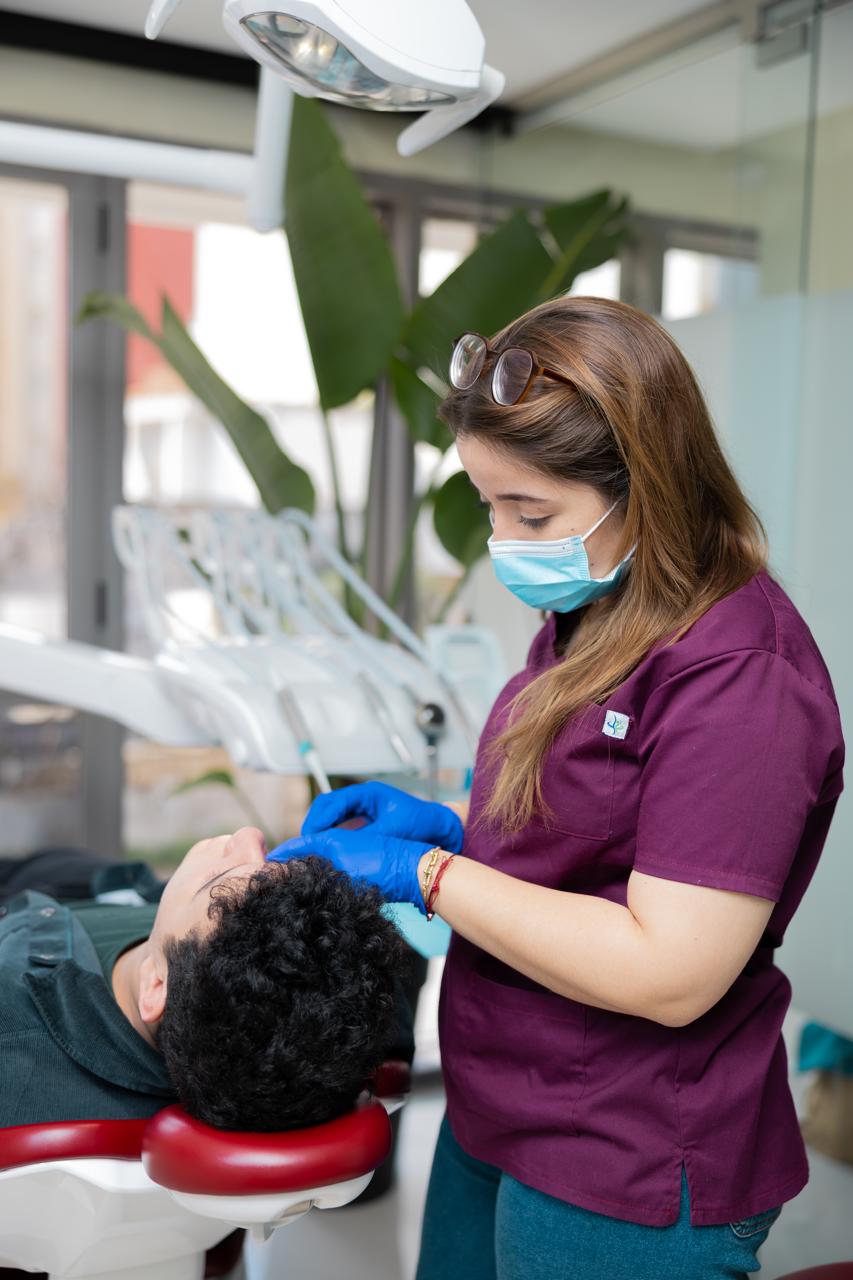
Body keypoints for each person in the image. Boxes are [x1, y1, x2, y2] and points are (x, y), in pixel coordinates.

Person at [268, 296, 846, 1280]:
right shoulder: (593, 611)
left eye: (527, 512)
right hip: (501, 1105)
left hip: (622, 1148)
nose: (501, 538)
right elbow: (589, 843)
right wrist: (445, 827)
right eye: (489, 502)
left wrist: (432, 874)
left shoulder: (740, 678)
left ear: (649, 491)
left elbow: (671, 968)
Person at [0, 827, 410, 1131]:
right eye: (273, 870)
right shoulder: (344, 1013)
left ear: (156, 986)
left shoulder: (14, 1035)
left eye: (214, 884)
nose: (251, 835)